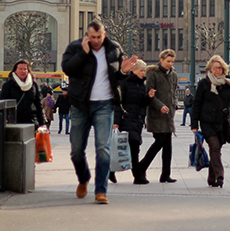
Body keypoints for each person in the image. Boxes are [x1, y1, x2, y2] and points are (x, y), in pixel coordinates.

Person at [61, 20, 136, 205]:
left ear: (104, 34)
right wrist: (83, 53)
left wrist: (124, 72)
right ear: (87, 35)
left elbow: (116, 76)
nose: (95, 41)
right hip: (80, 105)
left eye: (99, 37)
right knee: (76, 150)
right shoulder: (75, 47)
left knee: (103, 149)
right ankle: (83, 178)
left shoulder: (114, 49)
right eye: (92, 37)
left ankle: (100, 191)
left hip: (104, 105)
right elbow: (67, 69)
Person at [190, 55, 230, 188]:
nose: (218, 71)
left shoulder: (228, 84)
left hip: (222, 123)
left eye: (220, 68)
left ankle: (212, 178)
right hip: (207, 122)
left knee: (216, 150)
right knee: (215, 146)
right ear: (210, 69)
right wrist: (194, 124)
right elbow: (197, 104)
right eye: (215, 68)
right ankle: (219, 175)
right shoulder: (204, 84)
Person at [138, 49, 179, 183]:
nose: (170, 64)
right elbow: (149, 94)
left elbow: (173, 92)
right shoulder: (153, 74)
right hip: (157, 114)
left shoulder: (173, 74)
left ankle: (165, 174)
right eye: (168, 61)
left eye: (172, 61)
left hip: (168, 114)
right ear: (161, 60)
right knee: (160, 141)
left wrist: (174, 105)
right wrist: (159, 105)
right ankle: (141, 166)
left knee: (168, 144)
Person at [112, 59, 155, 184]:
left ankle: (111, 171)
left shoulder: (142, 85)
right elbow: (118, 103)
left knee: (129, 148)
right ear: (133, 70)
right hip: (126, 119)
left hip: (136, 120)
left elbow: (141, 103)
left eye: (144, 71)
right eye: (141, 70)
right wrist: (116, 122)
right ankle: (138, 176)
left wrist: (149, 98)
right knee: (134, 147)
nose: (143, 73)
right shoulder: (125, 83)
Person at [0, 60, 46, 128]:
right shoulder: (8, 85)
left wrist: (42, 123)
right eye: (20, 69)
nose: (23, 71)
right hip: (15, 122)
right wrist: (5, 118)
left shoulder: (33, 85)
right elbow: (3, 103)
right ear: (15, 70)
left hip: (32, 121)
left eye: (25, 69)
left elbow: (38, 104)